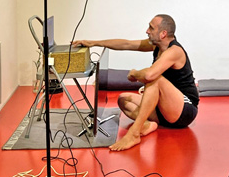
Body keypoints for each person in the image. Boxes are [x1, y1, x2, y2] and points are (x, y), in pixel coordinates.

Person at [73, 14, 199, 151]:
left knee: (155, 79)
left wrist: (135, 73)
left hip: (184, 110)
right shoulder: (156, 46)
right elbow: (126, 44)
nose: (147, 31)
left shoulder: (175, 51)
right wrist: (93, 43)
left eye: (151, 28)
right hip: (164, 109)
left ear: (163, 34)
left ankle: (134, 133)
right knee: (123, 99)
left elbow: (150, 74)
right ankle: (148, 124)